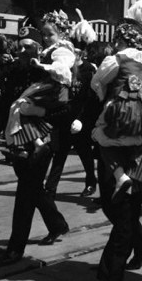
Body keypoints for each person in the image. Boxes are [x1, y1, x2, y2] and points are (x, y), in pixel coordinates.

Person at [0, 25, 70, 267]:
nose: (24, 50)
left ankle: (15, 249)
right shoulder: (14, 73)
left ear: (39, 47)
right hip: (17, 140)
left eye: (29, 46)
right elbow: (3, 108)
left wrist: (41, 111)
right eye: (21, 45)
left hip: (43, 142)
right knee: (33, 188)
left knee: (25, 192)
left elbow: (67, 109)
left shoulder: (52, 72)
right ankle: (58, 224)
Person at [90, 18, 142, 281]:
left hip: (136, 146)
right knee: (113, 207)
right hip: (113, 139)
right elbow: (96, 90)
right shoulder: (124, 64)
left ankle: (112, 279)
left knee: (123, 215)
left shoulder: (136, 64)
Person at [91, 18, 142, 223]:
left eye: (117, 39)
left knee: (99, 134)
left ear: (122, 39)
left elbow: (98, 82)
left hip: (123, 108)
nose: (115, 42)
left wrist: (104, 97)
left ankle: (121, 177)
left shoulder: (118, 58)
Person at [5, 11, 76, 158]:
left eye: (50, 34)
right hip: (49, 87)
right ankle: (30, 144)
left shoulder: (62, 50)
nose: (46, 38)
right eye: (44, 34)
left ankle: (25, 144)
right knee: (21, 107)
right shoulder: (49, 51)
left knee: (20, 105)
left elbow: (62, 69)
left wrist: (42, 66)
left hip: (55, 88)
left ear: (61, 34)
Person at [45, 47, 100, 199]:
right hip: (64, 119)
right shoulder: (63, 68)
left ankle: (91, 181)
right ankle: (50, 187)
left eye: (75, 52)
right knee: (60, 154)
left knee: (85, 153)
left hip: (80, 120)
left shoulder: (88, 70)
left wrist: (81, 119)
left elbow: (89, 99)